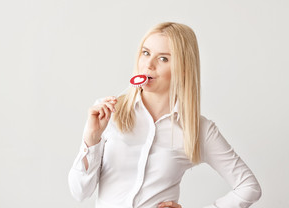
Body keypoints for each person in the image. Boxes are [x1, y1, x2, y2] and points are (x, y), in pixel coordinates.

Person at [68, 22, 262, 208]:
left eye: (163, 58)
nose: (148, 65)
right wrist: (91, 139)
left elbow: (249, 187)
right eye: (146, 53)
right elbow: (79, 192)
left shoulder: (199, 129)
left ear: (183, 69)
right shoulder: (108, 113)